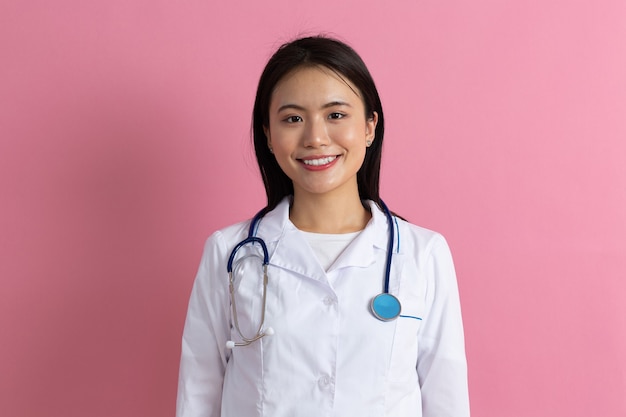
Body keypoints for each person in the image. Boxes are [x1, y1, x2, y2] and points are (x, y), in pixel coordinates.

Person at [176, 35, 470, 417]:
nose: (315, 138)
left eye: (335, 115)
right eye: (293, 118)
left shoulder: (423, 254)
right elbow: (198, 394)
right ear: (267, 134)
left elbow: (446, 401)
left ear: (369, 127)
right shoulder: (228, 254)